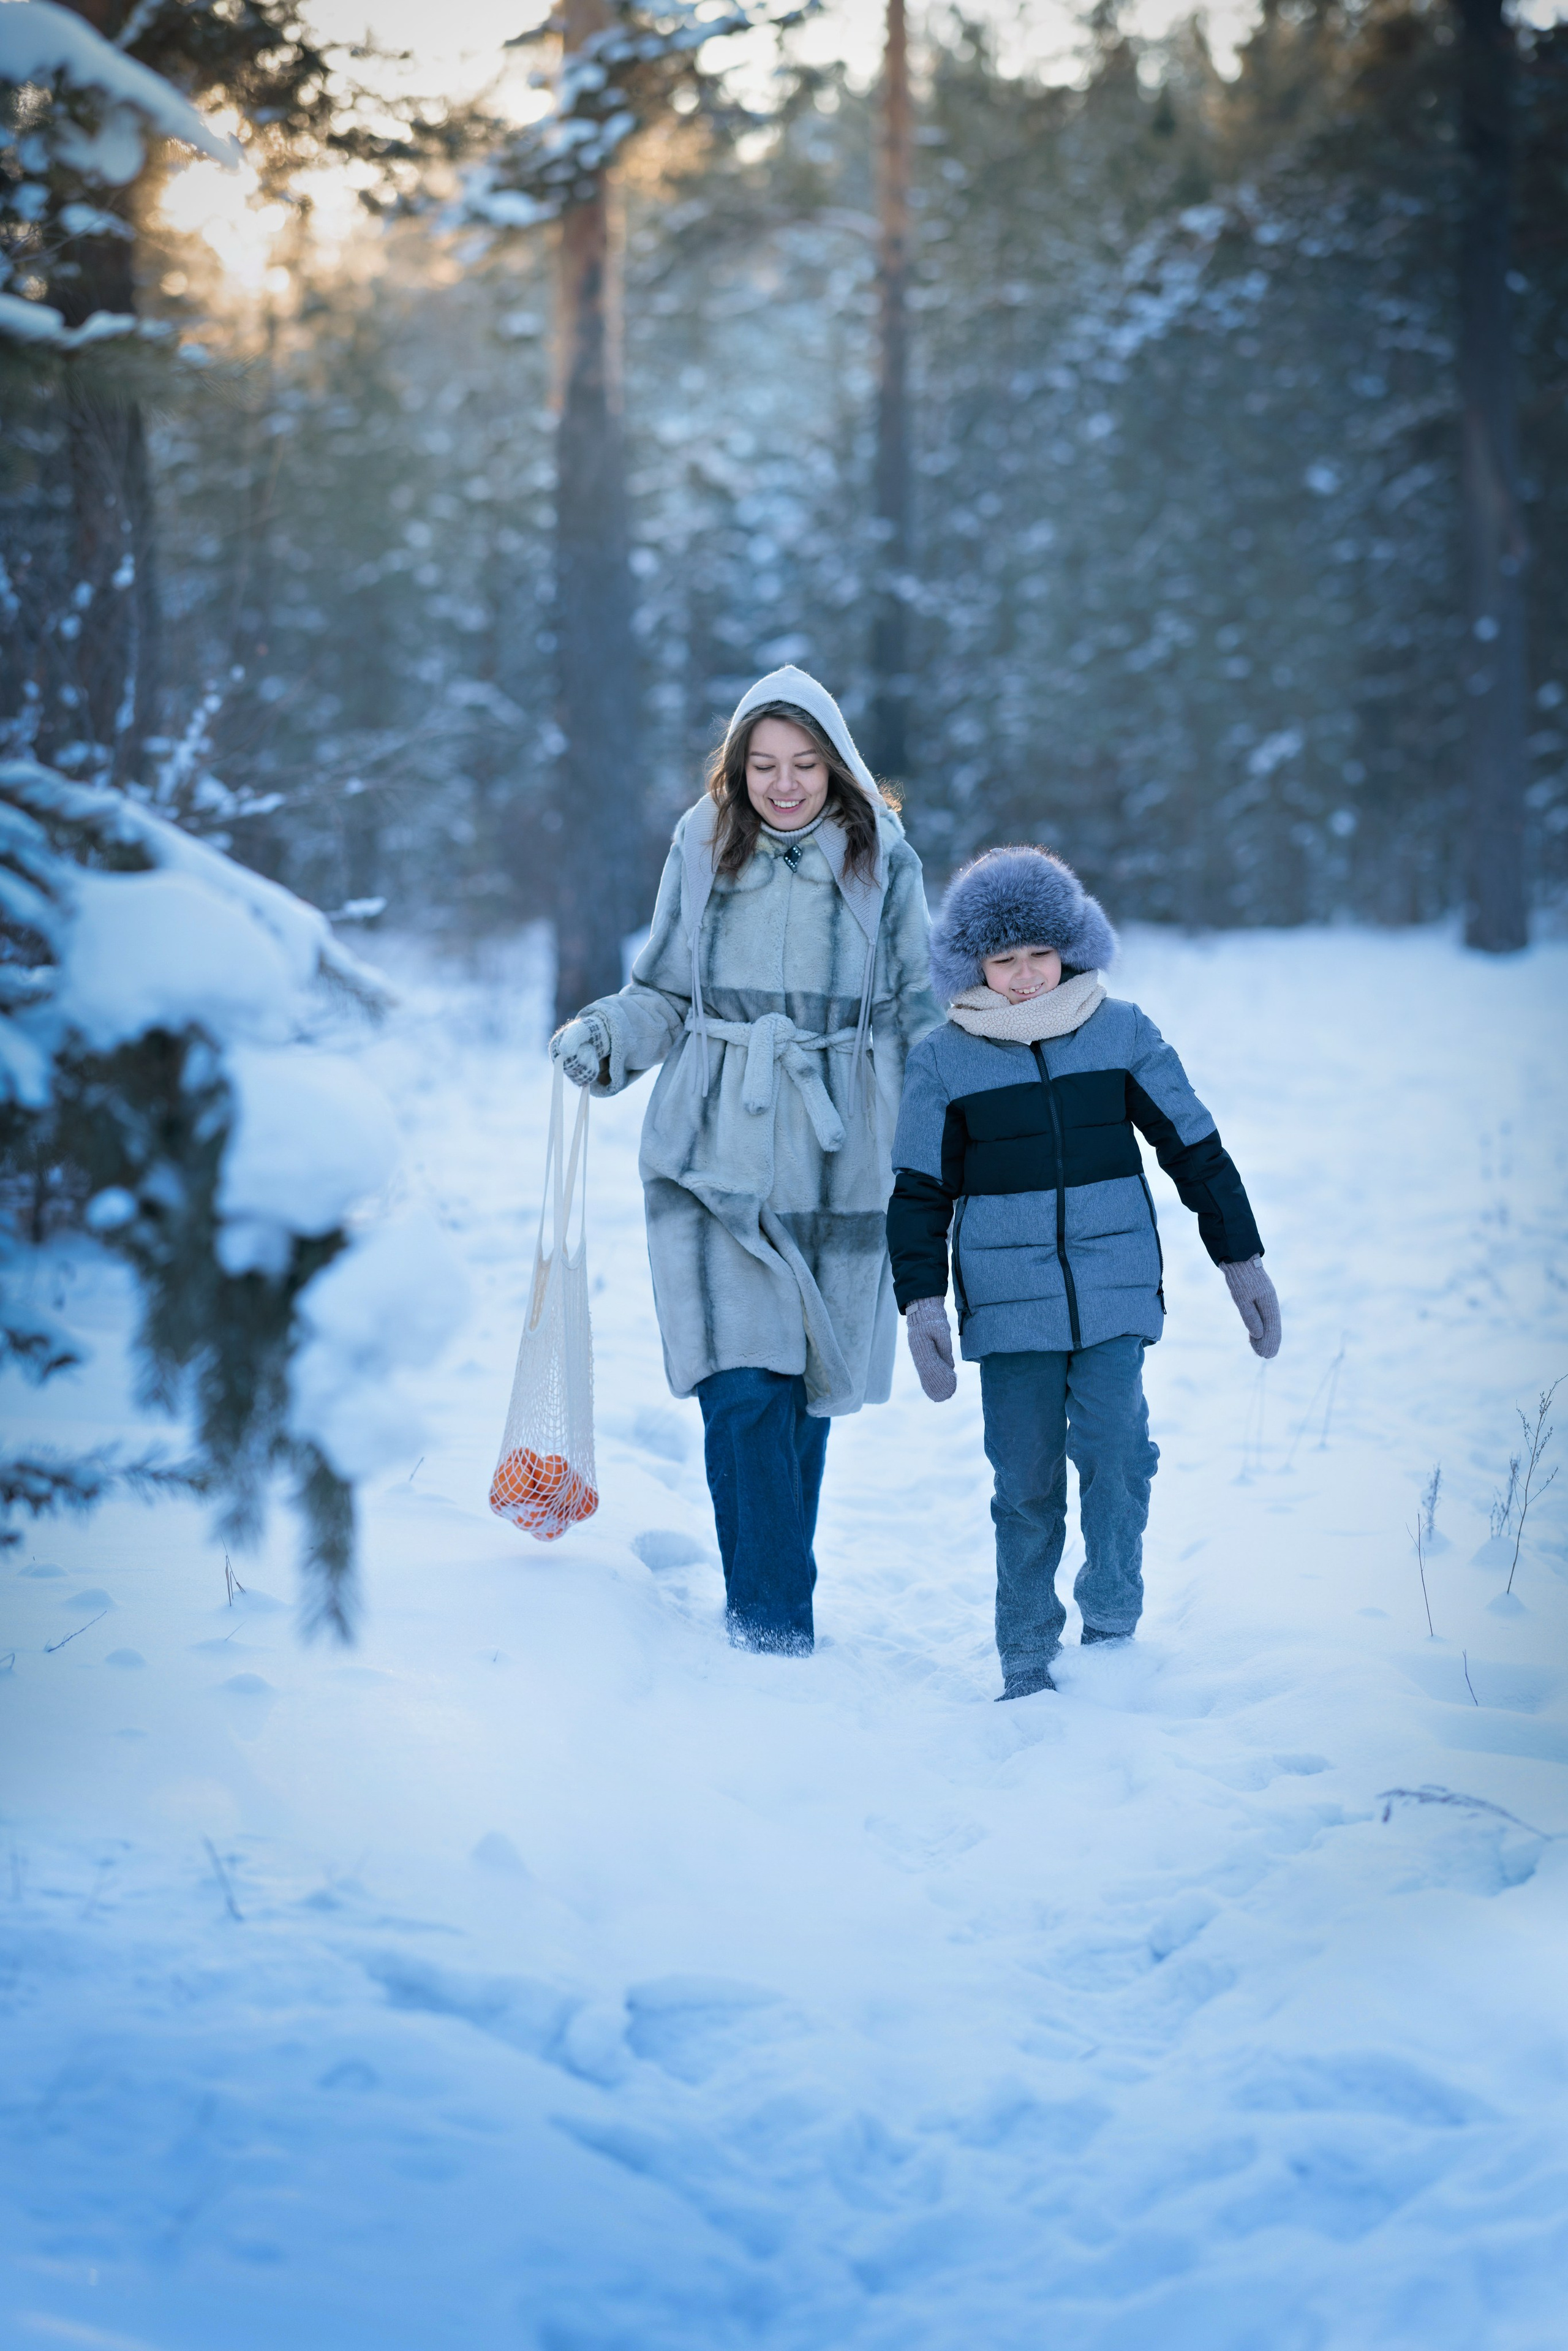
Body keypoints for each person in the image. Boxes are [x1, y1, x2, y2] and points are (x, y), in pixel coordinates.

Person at [551, 666, 941, 1654]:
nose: (784, 783)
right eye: (763, 764)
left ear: (837, 764)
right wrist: (608, 1034)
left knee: (803, 1396)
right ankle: (769, 1629)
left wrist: (943, 1139)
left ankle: (773, 1610)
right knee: (742, 1386)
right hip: (709, 1145)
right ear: (736, 767)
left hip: (837, 1154)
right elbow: (663, 990)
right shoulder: (701, 843)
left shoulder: (884, 860)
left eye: (804, 763)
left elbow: (917, 1013)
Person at [885, 845, 1280, 1700]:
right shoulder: (943, 1059)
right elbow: (918, 1190)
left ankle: (1111, 1625)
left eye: (1041, 953)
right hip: (1008, 1307)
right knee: (1026, 1485)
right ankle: (1027, 1657)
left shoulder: (1121, 1031)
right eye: (1005, 959)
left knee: (1118, 1455)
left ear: (1072, 946)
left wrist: (1240, 1258)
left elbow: (1195, 1148)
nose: (1027, 975)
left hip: (1113, 1288)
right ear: (973, 965)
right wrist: (922, 1303)